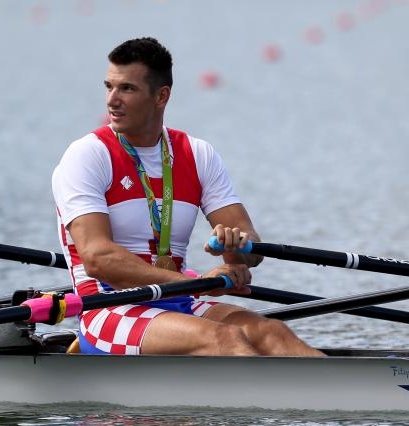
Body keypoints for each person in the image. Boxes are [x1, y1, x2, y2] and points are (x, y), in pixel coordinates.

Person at [51, 37, 324, 357]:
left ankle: (345, 399)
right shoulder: (87, 155)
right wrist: (197, 282)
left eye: (127, 88)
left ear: (161, 96)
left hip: (179, 301)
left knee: (271, 332)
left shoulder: (197, 154)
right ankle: (281, 401)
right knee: (226, 340)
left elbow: (251, 246)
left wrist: (235, 249)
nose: (112, 100)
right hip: (108, 308)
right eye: (109, 86)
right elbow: (98, 259)